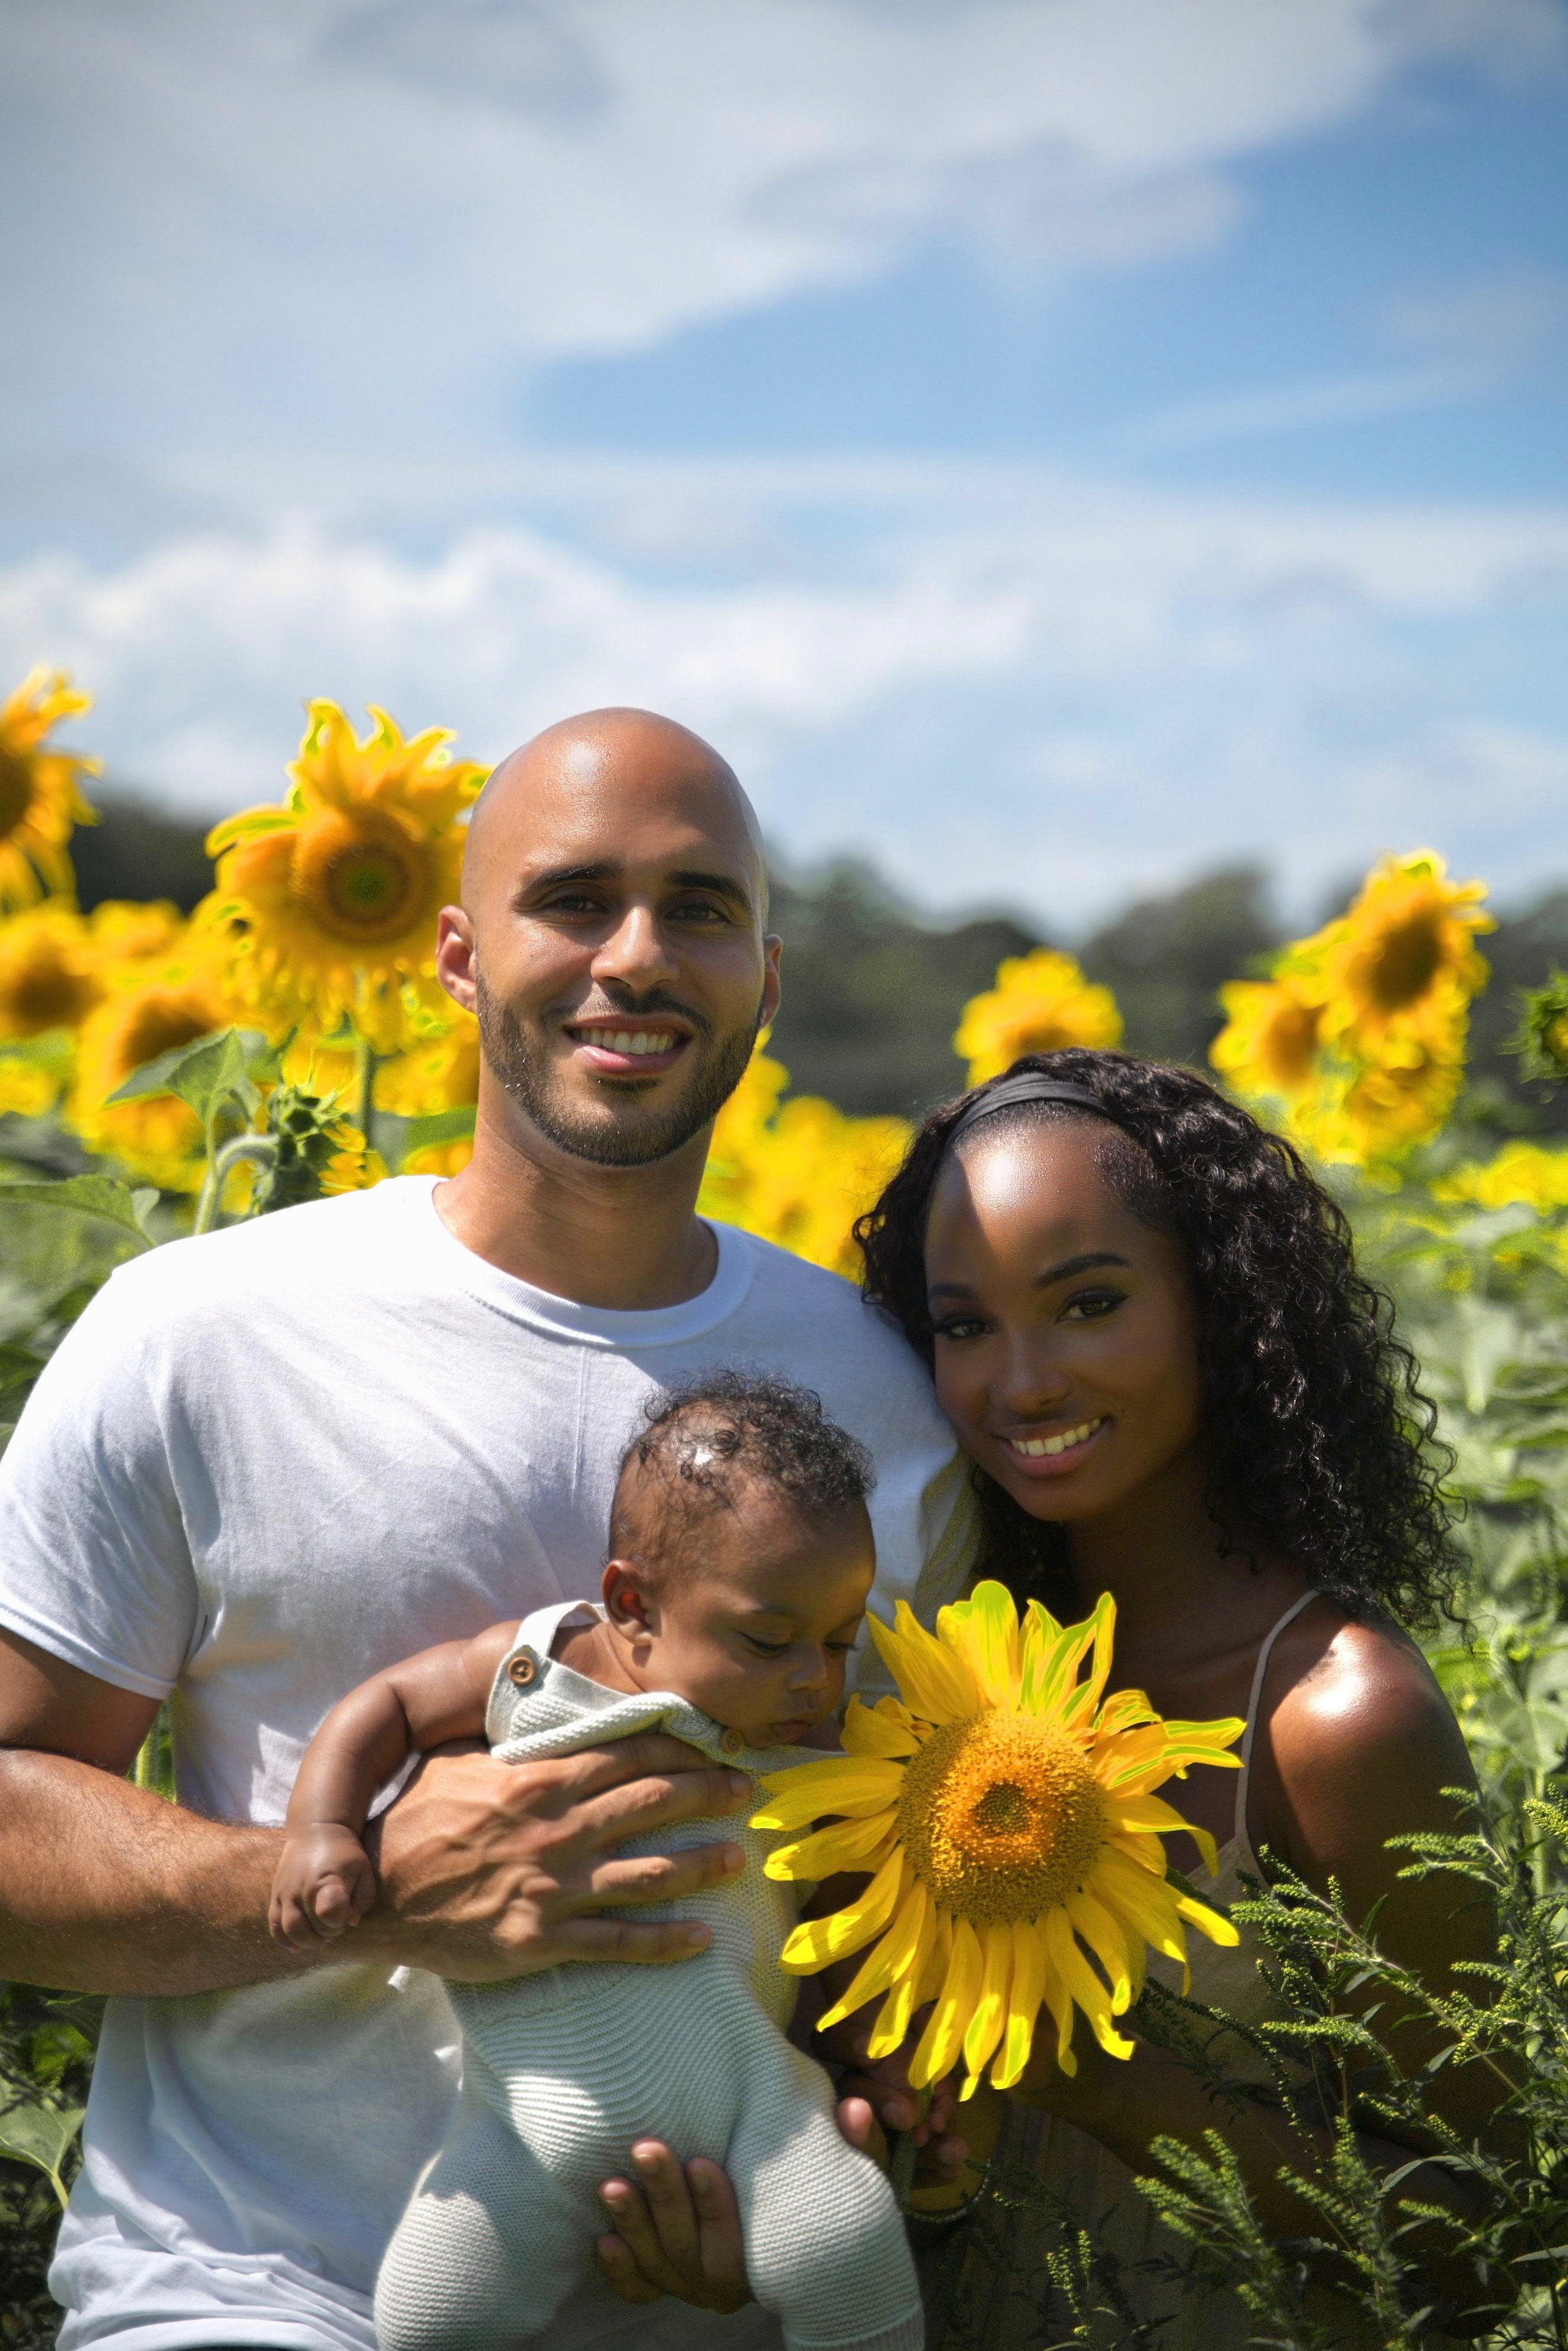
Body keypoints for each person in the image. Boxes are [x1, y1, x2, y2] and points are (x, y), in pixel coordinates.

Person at [0, 709, 972, 2351]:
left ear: (767, 981)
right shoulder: (201, 1327)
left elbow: (888, 1866)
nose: (638, 954)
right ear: (456, 953)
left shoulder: (889, 1399)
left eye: (701, 907)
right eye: (574, 896)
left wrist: (872, 2132)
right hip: (251, 2292)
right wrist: (365, 1885)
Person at [852, 1049, 1495, 2349]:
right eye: (962, 1325)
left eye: (1085, 1303)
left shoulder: (1329, 1714)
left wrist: (1102, 2085)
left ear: (1220, 1302)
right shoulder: (932, 1684)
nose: (1019, 1380)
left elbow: (1480, 2233)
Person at [274, 1370, 922, 2351]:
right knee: (428, 2311)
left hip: (757, 2115)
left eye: (840, 1640)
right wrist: (323, 1829)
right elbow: (392, 1707)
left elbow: (840, 1909)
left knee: (839, 2242)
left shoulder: (806, 1752)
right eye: (770, 1639)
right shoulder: (542, 1665)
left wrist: (866, 2052)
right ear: (631, 1604)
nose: (814, 1678)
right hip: (521, 2132)